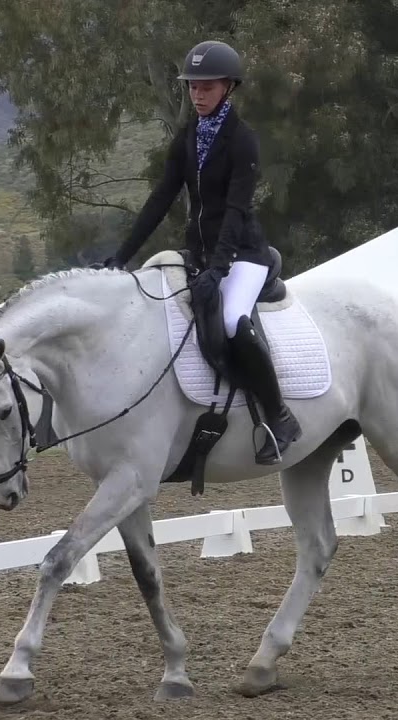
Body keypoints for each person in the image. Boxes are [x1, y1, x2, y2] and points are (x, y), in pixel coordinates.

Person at [100, 39, 302, 465]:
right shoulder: (188, 136)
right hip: (201, 254)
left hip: (243, 254)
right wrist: (122, 255)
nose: (197, 94)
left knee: (232, 322)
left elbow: (236, 208)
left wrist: (220, 265)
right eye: (192, 87)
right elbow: (160, 199)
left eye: (206, 87)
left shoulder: (242, 140)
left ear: (228, 87)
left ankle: (280, 417)